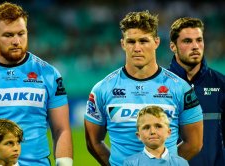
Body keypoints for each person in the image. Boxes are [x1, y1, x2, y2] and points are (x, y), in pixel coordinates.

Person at [84, 10, 203, 166]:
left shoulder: (180, 88)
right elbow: (93, 142)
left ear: (156, 42)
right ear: (123, 44)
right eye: (131, 41)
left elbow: (194, 143)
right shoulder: (102, 89)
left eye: (143, 41)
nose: (137, 48)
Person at [0, 2, 73, 166]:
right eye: (8, 35)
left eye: (21, 33)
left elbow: (61, 129)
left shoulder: (49, 74)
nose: (16, 41)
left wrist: (64, 164)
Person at [168, 17, 225, 166]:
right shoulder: (158, 85)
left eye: (199, 40)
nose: (195, 46)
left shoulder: (221, 83)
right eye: (187, 41)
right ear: (173, 46)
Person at [123, 106, 189, 166]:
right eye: (146, 127)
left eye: (158, 126)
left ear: (168, 132)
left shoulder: (181, 163)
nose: (152, 132)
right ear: (138, 135)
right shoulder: (130, 163)